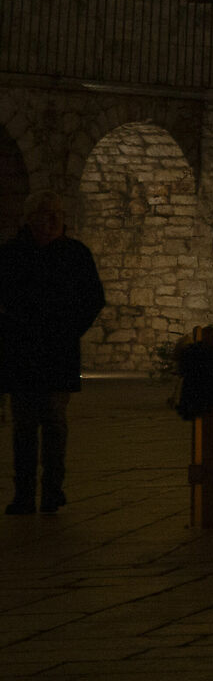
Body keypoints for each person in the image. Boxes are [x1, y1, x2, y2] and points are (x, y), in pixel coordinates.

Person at [0, 192, 107, 515]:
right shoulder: (11, 255)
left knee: (54, 421)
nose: (53, 220)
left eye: (58, 214)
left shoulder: (75, 254)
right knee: (24, 425)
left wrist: (70, 328)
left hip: (58, 350)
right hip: (21, 350)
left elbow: (93, 298)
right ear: (31, 217)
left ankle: (52, 489)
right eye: (47, 214)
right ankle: (24, 493)